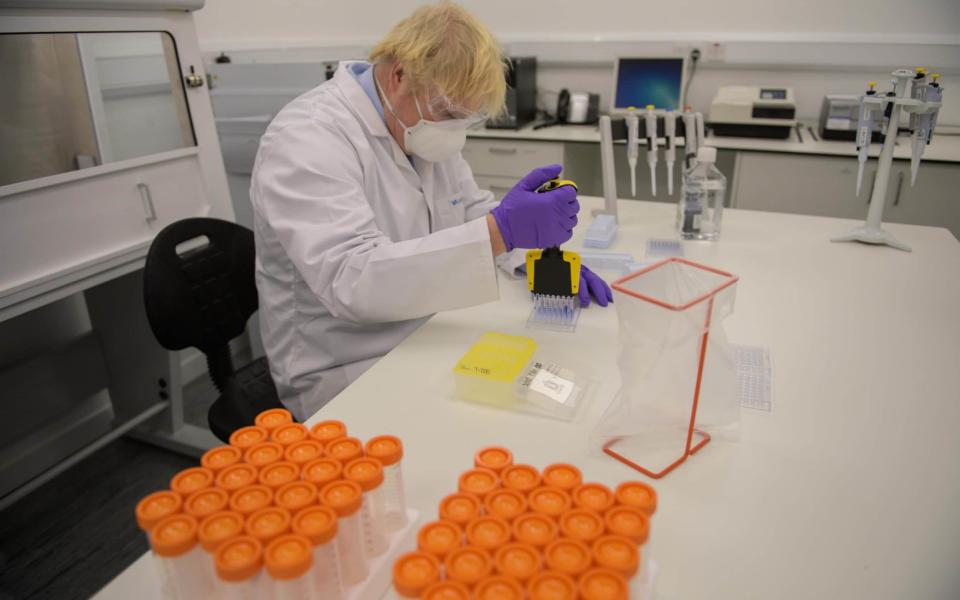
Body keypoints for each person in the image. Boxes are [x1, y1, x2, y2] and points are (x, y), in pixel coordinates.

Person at [251, 1, 612, 419]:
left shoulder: (416, 126)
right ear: (399, 73)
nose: (452, 129)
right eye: (447, 112)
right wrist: (500, 233)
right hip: (344, 361)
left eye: (466, 117)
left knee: (560, 396)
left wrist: (531, 256)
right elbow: (351, 278)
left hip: (426, 328)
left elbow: (470, 208)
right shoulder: (307, 137)